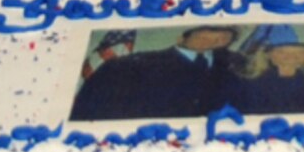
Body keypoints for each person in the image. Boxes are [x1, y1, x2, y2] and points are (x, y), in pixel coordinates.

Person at [69, 25, 242, 120]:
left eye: (222, 38)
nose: (213, 40)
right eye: (208, 33)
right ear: (182, 37)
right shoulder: (128, 66)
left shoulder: (238, 69)